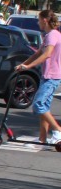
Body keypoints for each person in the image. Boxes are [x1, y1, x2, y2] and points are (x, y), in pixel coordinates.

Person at [14, 9, 61, 145]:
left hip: (52, 76)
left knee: (38, 105)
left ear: (45, 20)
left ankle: (58, 130)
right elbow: (37, 53)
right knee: (44, 106)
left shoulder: (52, 35)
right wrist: (23, 64)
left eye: (39, 19)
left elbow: (47, 54)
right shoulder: (51, 35)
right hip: (48, 75)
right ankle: (42, 138)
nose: (38, 22)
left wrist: (28, 67)